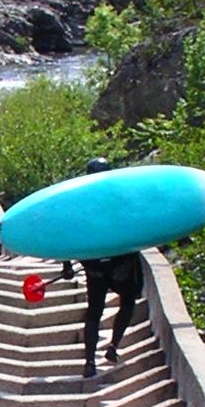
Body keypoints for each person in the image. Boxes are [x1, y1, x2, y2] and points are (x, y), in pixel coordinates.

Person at [63, 158, 144, 378]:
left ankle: (90, 362)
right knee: (127, 301)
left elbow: (67, 232)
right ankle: (113, 347)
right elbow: (134, 224)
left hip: (94, 266)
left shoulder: (79, 199)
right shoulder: (119, 196)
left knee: (94, 313)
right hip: (120, 265)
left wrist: (67, 263)